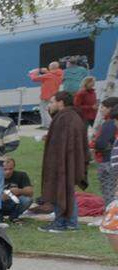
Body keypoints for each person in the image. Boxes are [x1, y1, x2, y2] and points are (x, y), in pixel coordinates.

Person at [40, 91, 90, 233]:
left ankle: (60, 222)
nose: (49, 105)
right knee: (68, 191)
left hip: (62, 162)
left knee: (60, 190)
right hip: (70, 161)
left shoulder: (65, 118)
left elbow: (62, 145)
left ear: (61, 102)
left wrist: (59, 164)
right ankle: (71, 223)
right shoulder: (73, 116)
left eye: (52, 102)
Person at [93, 98, 118, 204]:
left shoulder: (109, 123)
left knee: (109, 193)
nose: (101, 110)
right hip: (110, 161)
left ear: (111, 109)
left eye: (103, 107)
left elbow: (101, 143)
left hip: (107, 161)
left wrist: (94, 145)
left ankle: (112, 214)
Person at [30, 61, 64, 129]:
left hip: (46, 95)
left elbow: (34, 79)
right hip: (53, 95)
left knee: (44, 110)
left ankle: (48, 125)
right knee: (46, 110)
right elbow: (51, 76)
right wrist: (47, 72)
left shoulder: (49, 75)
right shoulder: (59, 74)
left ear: (50, 67)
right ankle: (45, 125)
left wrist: (33, 73)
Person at [0, 157, 35, 222]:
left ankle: (14, 217)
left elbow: (31, 192)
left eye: (11, 169)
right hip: (0, 204)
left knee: (27, 200)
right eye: (5, 169)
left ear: (14, 167)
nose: (8, 172)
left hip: (15, 203)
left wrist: (19, 191)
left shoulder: (21, 175)